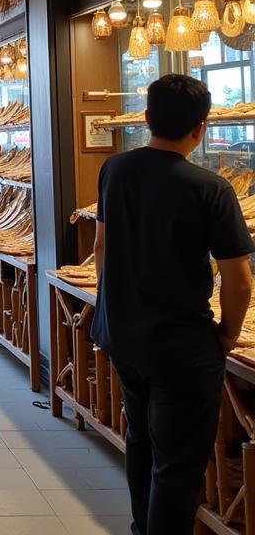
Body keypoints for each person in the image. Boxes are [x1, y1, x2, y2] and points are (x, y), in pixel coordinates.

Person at [92, 74, 254, 535]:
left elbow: (101, 245)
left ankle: (141, 528)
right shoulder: (210, 187)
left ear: (146, 120)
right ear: (201, 127)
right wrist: (226, 333)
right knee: (179, 463)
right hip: (181, 344)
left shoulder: (114, 169)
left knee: (141, 438)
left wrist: (114, 300)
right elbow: (238, 279)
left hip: (122, 333)